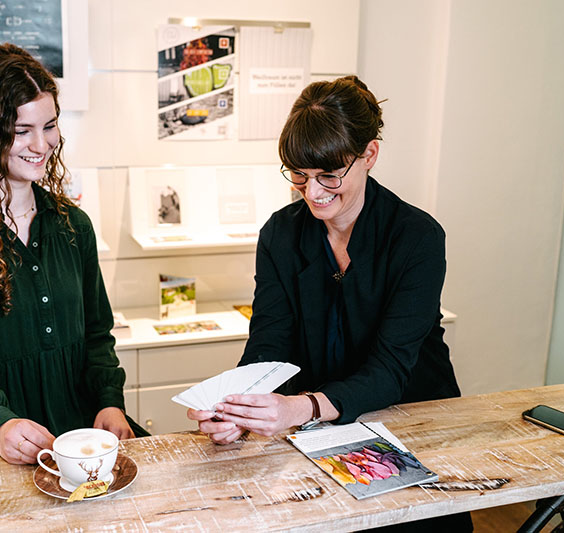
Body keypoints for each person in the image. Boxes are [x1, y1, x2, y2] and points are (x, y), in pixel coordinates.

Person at [188, 76, 472, 531]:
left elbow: (391, 369)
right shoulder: (281, 233)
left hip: (411, 417)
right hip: (320, 432)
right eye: (298, 174)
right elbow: (269, 342)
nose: (313, 192)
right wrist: (239, 408)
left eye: (329, 176)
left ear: (370, 155)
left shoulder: (416, 237)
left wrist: (299, 408)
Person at [0, 43, 145, 468]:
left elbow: (97, 335)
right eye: (22, 131)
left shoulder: (74, 226)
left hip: (79, 436)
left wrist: (109, 402)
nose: (42, 144)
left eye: (50, 126)